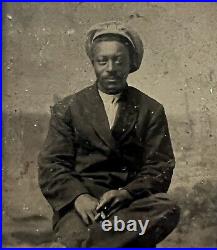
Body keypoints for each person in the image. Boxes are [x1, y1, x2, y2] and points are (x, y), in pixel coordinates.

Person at [38, 21, 180, 248]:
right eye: (102, 61)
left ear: (131, 63)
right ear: (93, 63)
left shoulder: (150, 109)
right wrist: (79, 198)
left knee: (167, 208)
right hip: (85, 204)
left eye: (119, 60)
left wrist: (126, 193)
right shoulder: (68, 108)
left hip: (130, 203)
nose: (111, 68)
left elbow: (160, 166)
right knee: (78, 231)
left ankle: (94, 241)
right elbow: (52, 165)